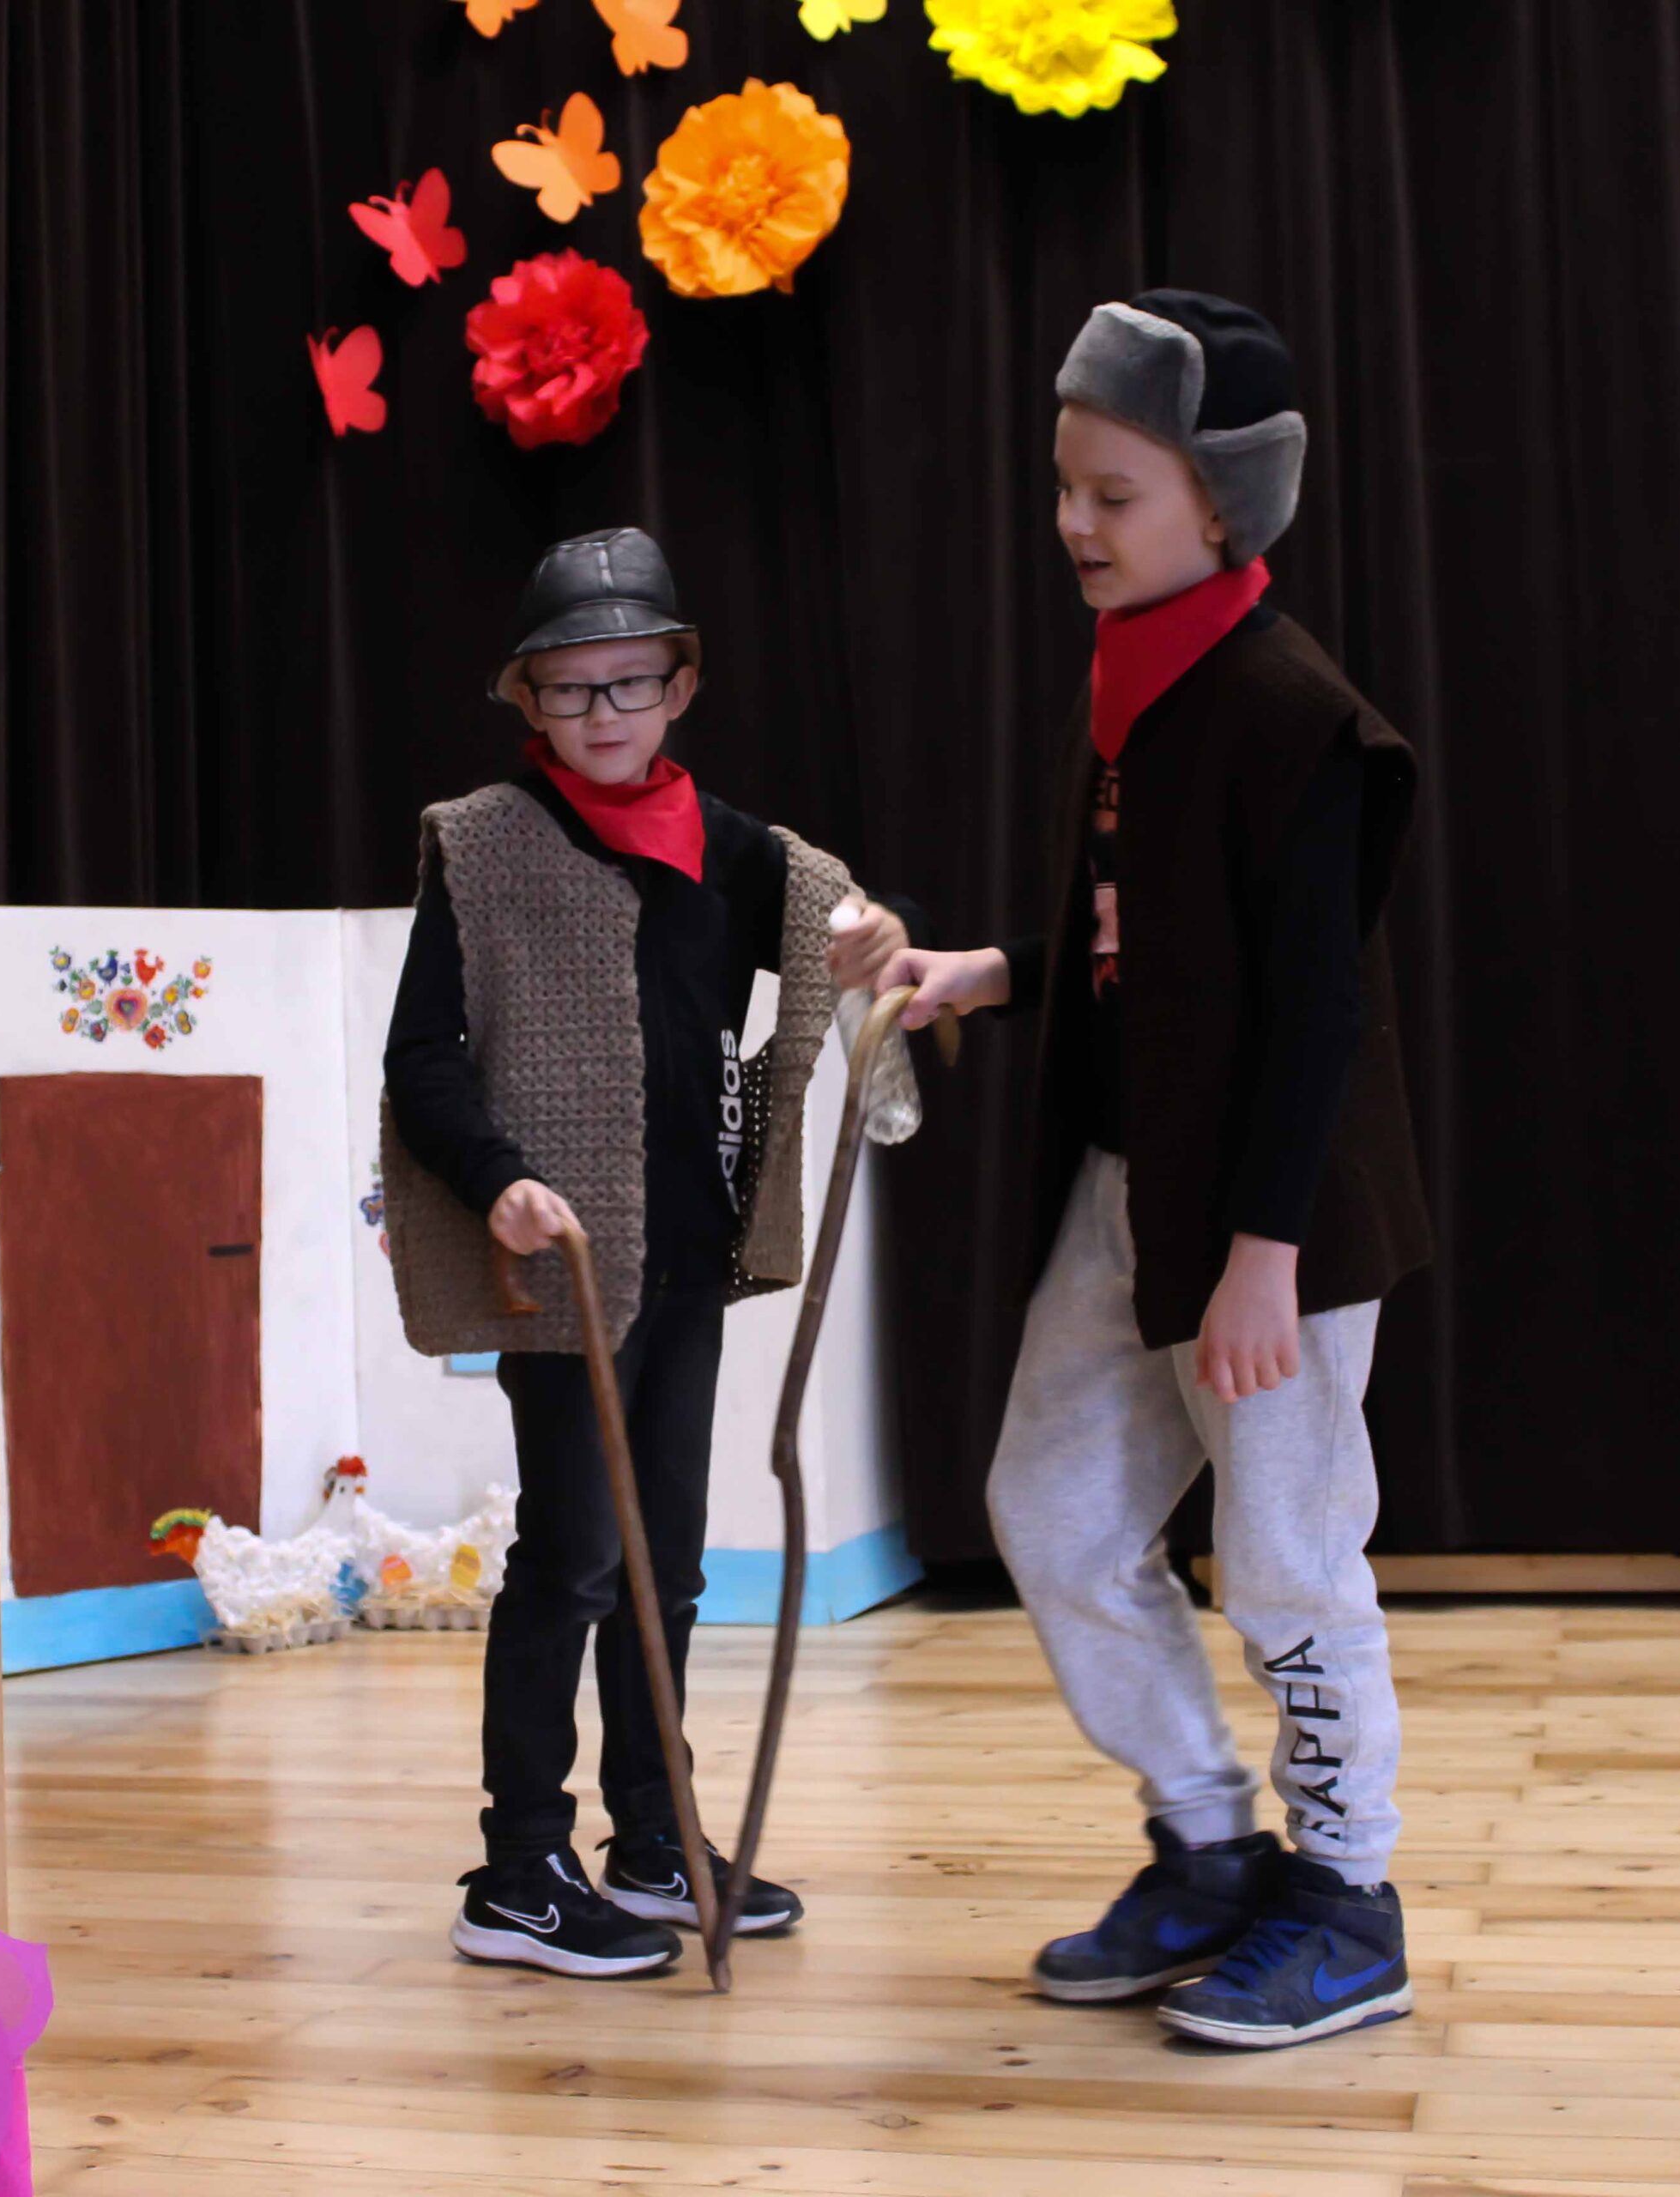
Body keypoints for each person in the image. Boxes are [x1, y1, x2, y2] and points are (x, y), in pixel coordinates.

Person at [879, 292, 1433, 2049]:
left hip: (1270, 1219)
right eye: (1065, 487)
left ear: (1223, 500)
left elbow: (1316, 1012)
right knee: (1052, 1515)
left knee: (1282, 1559)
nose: (1073, 523)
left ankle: (1346, 1897)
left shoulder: (1291, 714)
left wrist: (1262, 1255)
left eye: (1112, 494)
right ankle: (1207, 1841)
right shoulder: (1132, 680)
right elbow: (1150, 952)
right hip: (1136, 1189)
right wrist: (995, 971)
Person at [381, 527, 913, 1980]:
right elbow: (423, 1058)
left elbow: (848, 927)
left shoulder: (736, 851)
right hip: (565, 1273)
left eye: (630, 682)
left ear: (680, 685)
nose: (603, 712)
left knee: (665, 1563)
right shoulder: (485, 845)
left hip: (687, 1254)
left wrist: (880, 942)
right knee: (571, 1558)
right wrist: (498, 1180)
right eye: (570, 688)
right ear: (528, 699)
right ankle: (517, 1869)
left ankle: (655, 1831)